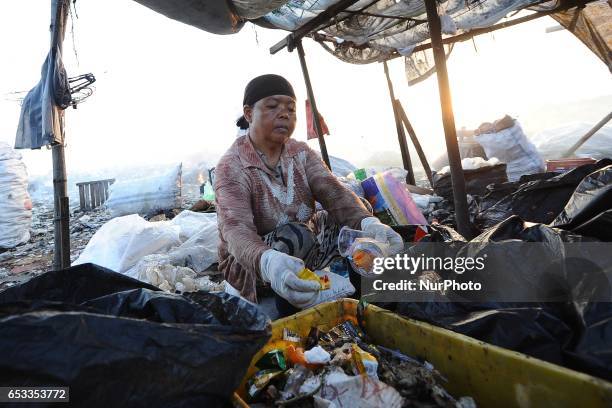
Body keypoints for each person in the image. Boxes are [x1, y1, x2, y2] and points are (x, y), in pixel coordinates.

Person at [214, 74, 403, 316]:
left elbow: (334, 192)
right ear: (249, 113)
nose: (284, 114)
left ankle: (363, 301)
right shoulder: (232, 166)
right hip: (253, 264)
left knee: (356, 217)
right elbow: (235, 231)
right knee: (297, 235)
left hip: (302, 245)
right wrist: (269, 262)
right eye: (272, 106)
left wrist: (370, 223)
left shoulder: (300, 152)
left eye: (291, 109)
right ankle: (290, 311)